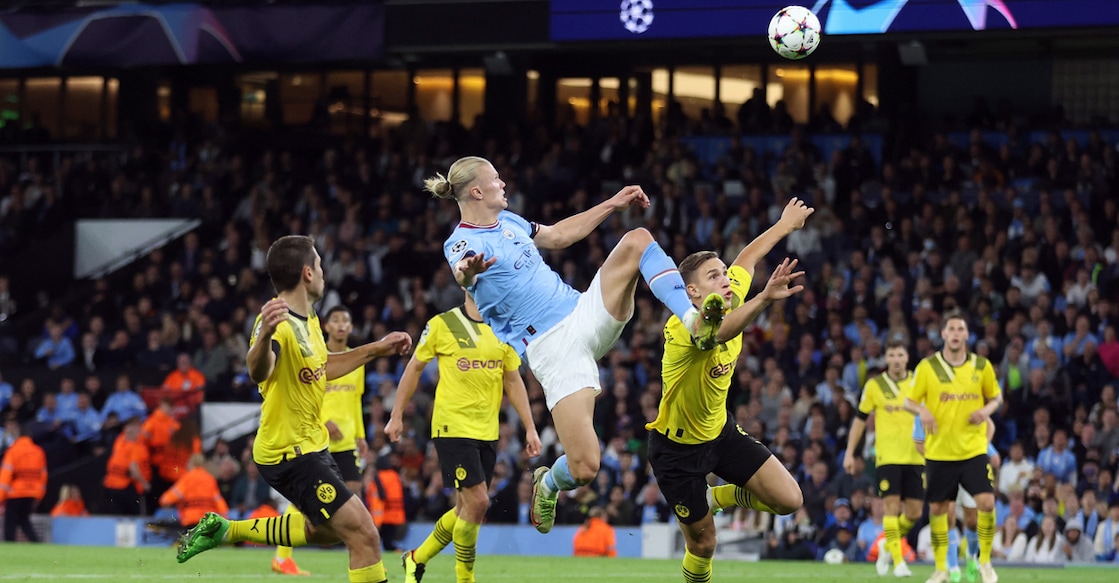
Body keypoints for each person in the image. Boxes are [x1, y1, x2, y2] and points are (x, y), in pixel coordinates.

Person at [425, 156, 726, 535]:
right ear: (477, 191)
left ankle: (692, 319)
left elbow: (558, 236)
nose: (503, 184)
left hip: (582, 310)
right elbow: (461, 271)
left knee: (638, 239)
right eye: (496, 179)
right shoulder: (462, 241)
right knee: (585, 466)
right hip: (552, 348)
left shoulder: (511, 222)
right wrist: (471, 270)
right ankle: (548, 483)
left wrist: (613, 204)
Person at [175, 235, 413, 583]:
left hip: (313, 444)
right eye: (318, 265)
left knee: (330, 531)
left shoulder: (309, 318)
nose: (322, 271)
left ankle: (226, 531)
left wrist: (378, 348)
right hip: (289, 452)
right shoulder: (278, 322)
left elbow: (324, 366)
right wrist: (262, 338)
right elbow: (261, 368)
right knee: (365, 534)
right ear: (306, 273)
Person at [646, 198, 812, 583]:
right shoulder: (681, 328)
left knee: (790, 500)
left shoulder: (731, 294)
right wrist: (764, 299)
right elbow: (719, 333)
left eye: (722, 272)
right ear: (691, 292)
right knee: (704, 545)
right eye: (713, 276)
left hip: (720, 433)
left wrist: (785, 225)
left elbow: (748, 257)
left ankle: (716, 496)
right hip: (677, 451)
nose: (725, 278)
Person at [388, 291, 541, 583]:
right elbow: (415, 367)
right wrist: (396, 414)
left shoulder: (503, 327)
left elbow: (512, 379)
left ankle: (415, 559)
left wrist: (530, 427)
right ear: (465, 287)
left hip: (487, 431)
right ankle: (465, 578)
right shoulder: (442, 324)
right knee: (480, 502)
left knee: (465, 507)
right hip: (452, 428)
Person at [905, 311, 1002, 583]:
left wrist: (986, 411)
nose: (956, 333)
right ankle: (942, 569)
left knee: (986, 502)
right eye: (952, 329)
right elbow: (908, 401)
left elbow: (996, 397)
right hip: (939, 453)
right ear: (944, 334)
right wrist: (922, 410)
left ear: (967, 335)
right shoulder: (928, 366)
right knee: (938, 511)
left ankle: (983, 562)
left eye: (961, 329)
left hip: (972, 450)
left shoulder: (981, 366)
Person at [273, 305, 368, 577]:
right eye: (335, 320)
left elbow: (355, 401)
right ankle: (282, 558)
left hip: (347, 443)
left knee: (353, 500)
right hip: (318, 439)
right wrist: (322, 420)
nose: (341, 325)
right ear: (326, 326)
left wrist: (360, 435)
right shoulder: (315, 356)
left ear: (351, 327)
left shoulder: (355, 361)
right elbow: (301, 396)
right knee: (305, 500)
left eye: (346, 320)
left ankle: (361, 557)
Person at [843, 339, 922, 577]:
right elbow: (859, 419)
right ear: (886, 359)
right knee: (891, 507)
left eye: (900, 355)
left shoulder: (918, 383)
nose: (896, 360)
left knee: (914, 513)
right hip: (887, 457)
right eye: (892, 355)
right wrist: (849, 452)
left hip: (917, 457)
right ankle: (898, 562)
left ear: (907, 358)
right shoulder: (875, 385)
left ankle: (887, 544)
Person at [0, 417, 46, 541]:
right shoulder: (38, 452)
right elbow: (43, 476)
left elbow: (5, 475)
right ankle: (36, 543)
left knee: (10, 522)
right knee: (24, 519)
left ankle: (9, 547)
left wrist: (1, 496)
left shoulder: (13, 451)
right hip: (32, 492)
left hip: (15, 492)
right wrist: (39, 495)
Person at [158, 454, 228, 527]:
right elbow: (219, 501)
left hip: (191, 520)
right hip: (207, 521)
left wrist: (163, 501)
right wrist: (225, 517)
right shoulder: (210, 479)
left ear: (191, 464)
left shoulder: (187, 478)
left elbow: (166, 499)